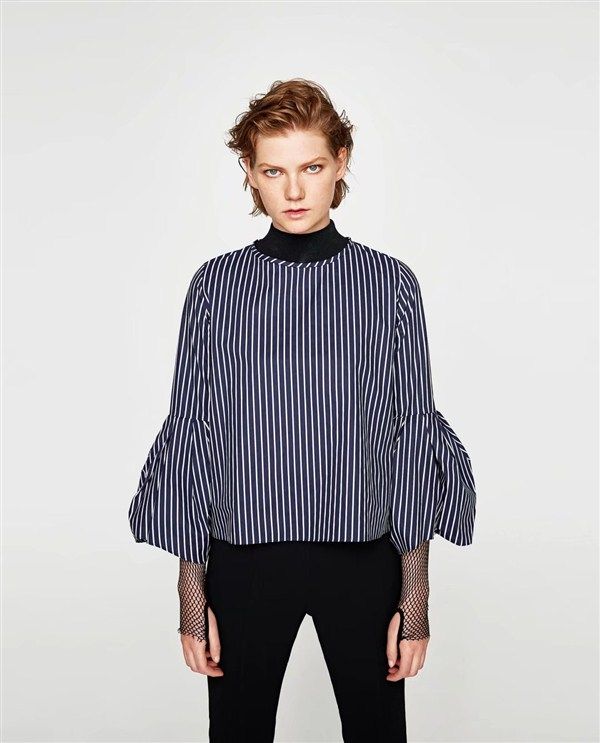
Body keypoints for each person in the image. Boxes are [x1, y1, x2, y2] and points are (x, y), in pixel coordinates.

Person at [127, 78, 477, 742]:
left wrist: (416, 597)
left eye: (311, 167)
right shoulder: (216, 287)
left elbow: (410, 435)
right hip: (244, 560)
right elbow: (194, 434)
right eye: (273, 171)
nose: (293, 190)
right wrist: (192, 596)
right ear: (250, 172)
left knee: (377, 733)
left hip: (363, 559)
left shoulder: (389, 284)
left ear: (341, 162)